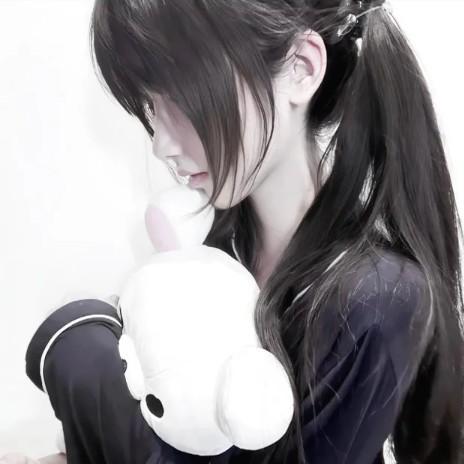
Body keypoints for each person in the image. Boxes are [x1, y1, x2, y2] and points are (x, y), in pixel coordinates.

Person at [4, 0, 464, 462]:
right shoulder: (207, 254)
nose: (162, 144)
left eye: (184, 99)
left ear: (301, 69)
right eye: (150, 105)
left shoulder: (376, 299)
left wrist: (78, 342)